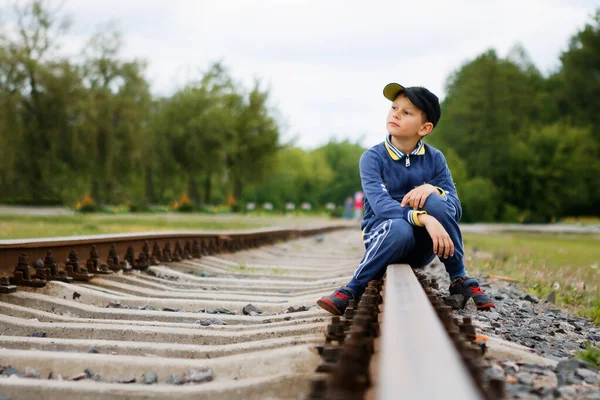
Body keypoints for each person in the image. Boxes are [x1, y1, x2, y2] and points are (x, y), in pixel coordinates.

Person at [317, 83, 496, 315]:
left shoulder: (435, 159)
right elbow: (381, 207)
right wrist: (424, 219)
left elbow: (455, 208)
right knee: (401, 227)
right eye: (394, 108)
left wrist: (434, 190)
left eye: (407, 112)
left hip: (423, 247)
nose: (396, 114)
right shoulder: (373, 158)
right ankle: (352, 288)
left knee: (435, 201)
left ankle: (459, 278)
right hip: (386, 236)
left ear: (424, 128)